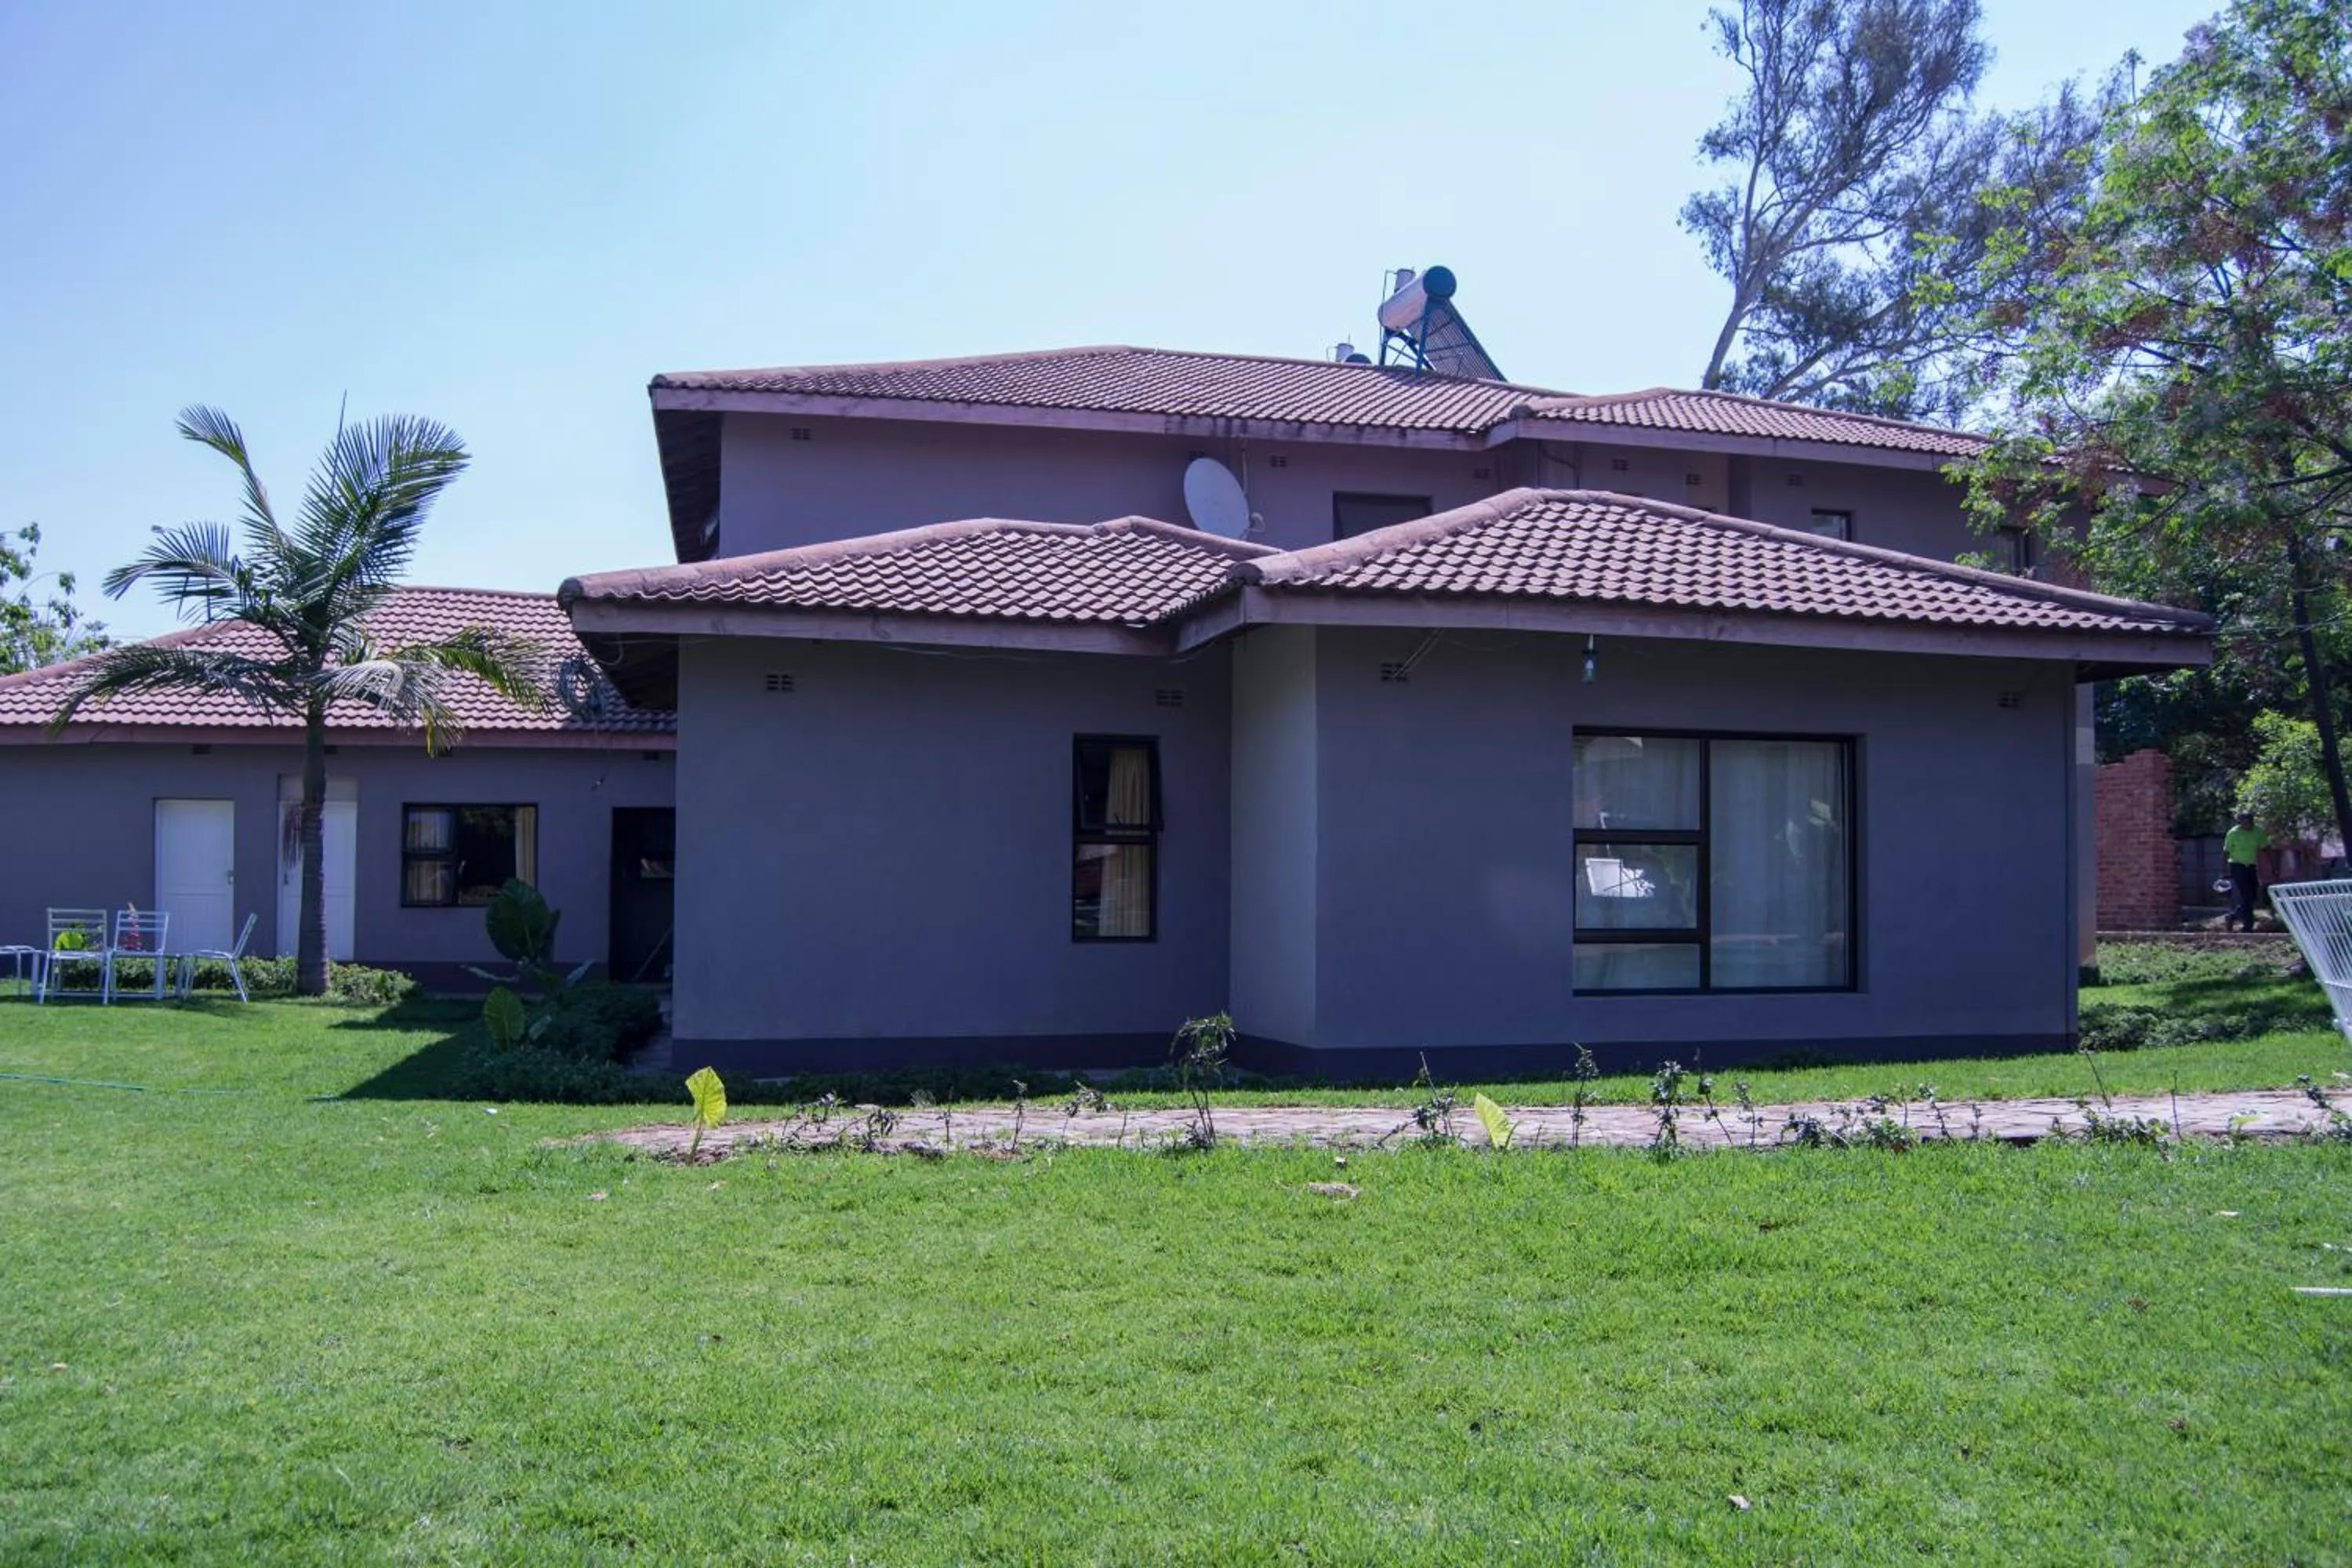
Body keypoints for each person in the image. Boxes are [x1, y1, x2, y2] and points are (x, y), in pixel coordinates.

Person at [2224, 811, 2269, 931]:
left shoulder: (2257, 832)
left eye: (2249, 822)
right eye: (2244, 822)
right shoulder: (2233, 833)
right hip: (2237, 866)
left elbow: (2264, 849)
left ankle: (2232, 916)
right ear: (2239, 822)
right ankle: (2247, 926)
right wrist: (2224, 870)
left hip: (2251, 866)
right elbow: (2226, 852)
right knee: (2246, 895)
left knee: (2253, 896)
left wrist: (2268, 868)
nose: (2246, 825)